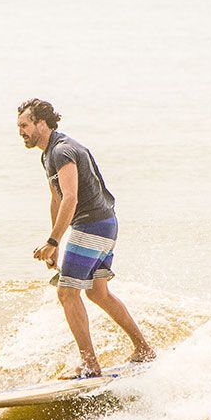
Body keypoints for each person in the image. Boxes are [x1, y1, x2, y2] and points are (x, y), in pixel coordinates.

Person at [17, 98, 155, 377]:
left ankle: (90, 365)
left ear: (41, 123)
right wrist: (53, 241)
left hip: (92, 225)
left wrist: (55, 241)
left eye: (25, 125)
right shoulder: (49, 153)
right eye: (18, 126)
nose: (21, 131)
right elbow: (56, 199)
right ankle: (143, 349)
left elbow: (71, 197)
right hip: (105, 224)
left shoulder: (62, 151)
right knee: (97, 292)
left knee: (67, 293)